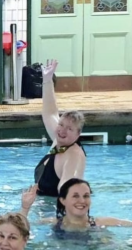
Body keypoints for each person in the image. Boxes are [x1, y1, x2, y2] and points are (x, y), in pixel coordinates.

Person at [34, 59, 86, 197]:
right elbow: (50, 112)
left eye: (69, 129)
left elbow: (69, 190)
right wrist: (47, 80)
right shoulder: (60, 141)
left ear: (78, 134)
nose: (62, 130)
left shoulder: (74, 155)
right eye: (61, 125)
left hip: (51, 214)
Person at [49, 178, 132, 231]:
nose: (82, 201)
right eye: (75, 196)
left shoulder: (100, 223)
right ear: (63, 200)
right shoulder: (54, 222)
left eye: (86, 196)